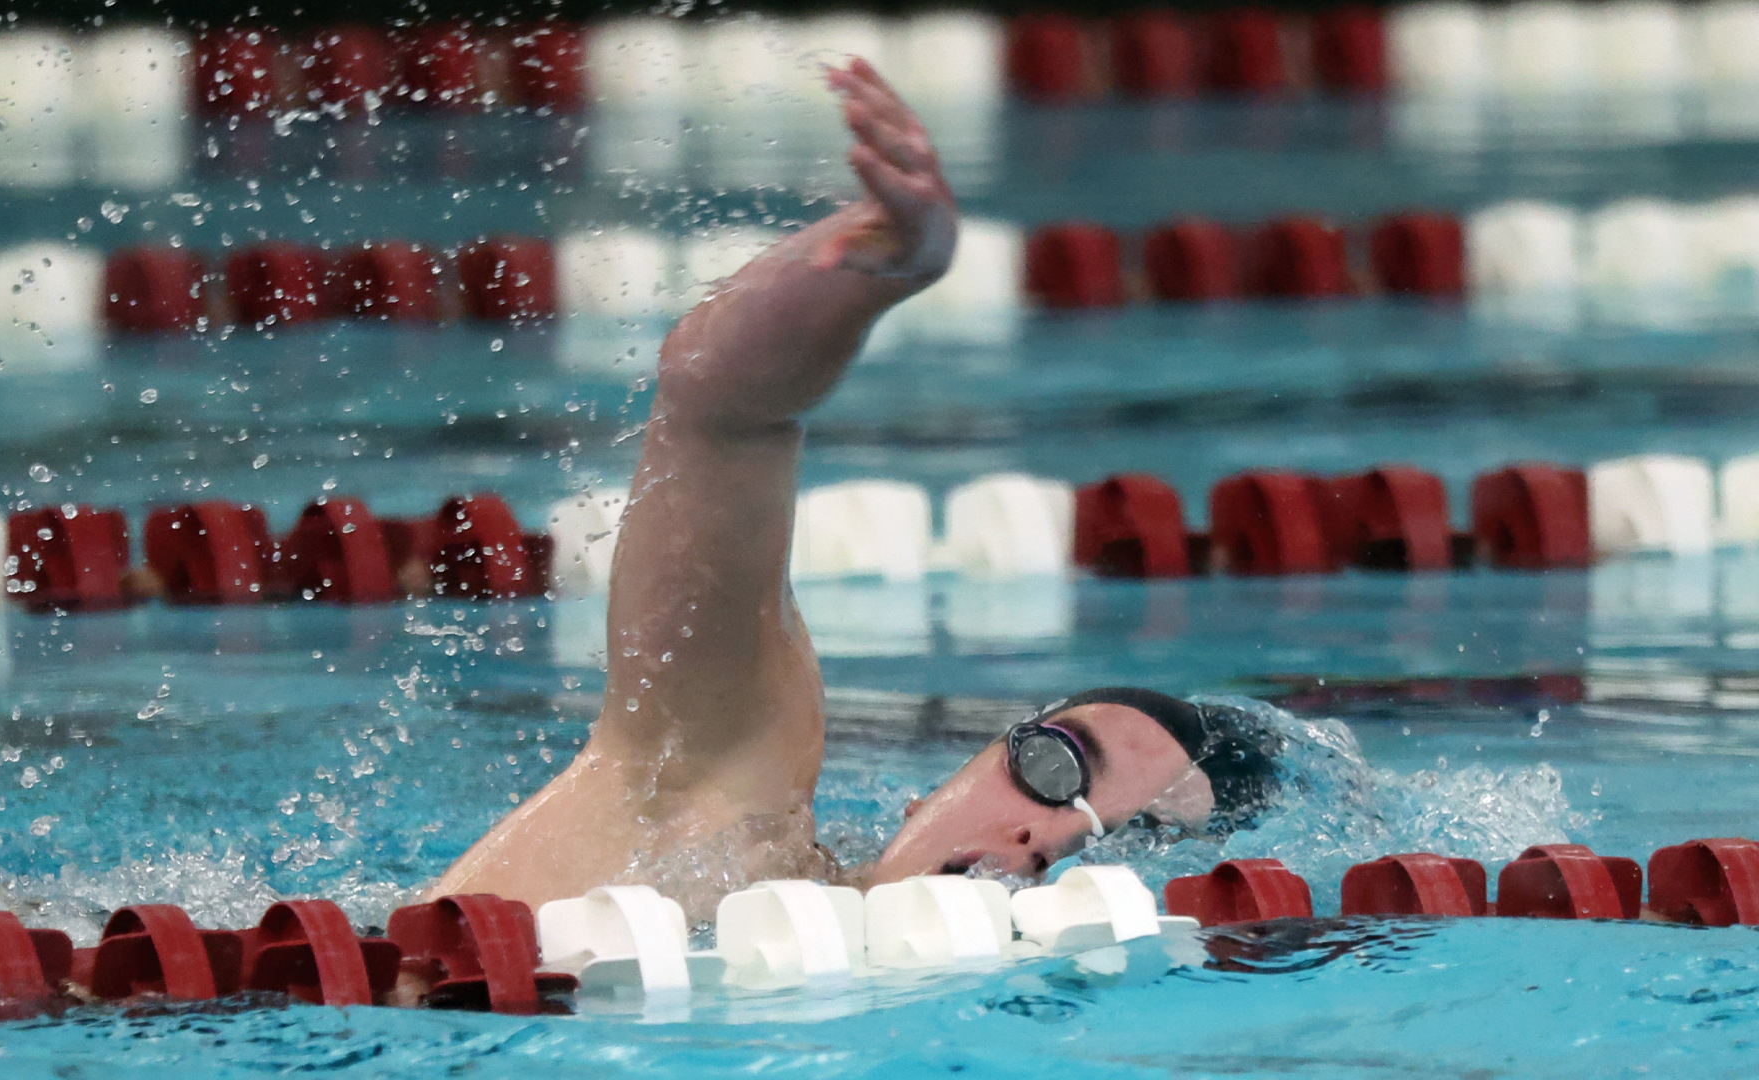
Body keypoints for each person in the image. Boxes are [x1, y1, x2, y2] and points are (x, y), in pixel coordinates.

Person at [427, 60, 1281, 915]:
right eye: (1055, 768)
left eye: (1125, 843)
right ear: (934, 791)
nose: (1044, 842)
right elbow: (720, 411)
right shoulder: (718, 811)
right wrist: (877, 273)